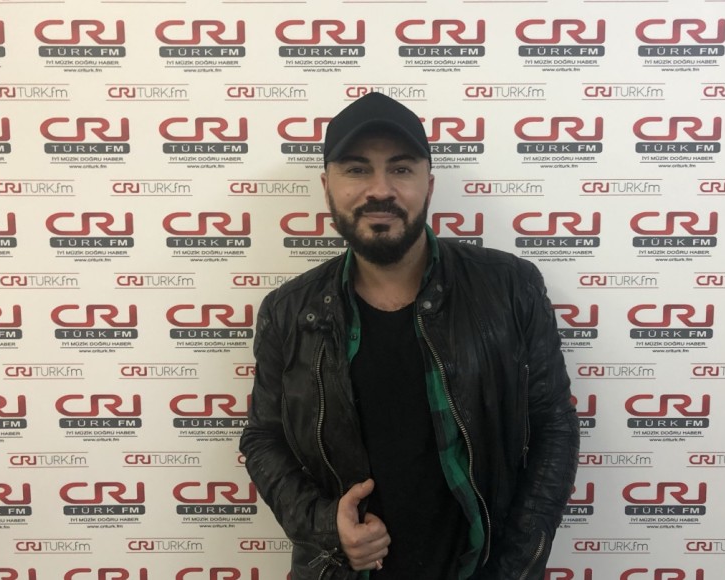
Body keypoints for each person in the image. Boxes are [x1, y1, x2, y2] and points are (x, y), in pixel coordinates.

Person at [240, 92, 580, 580]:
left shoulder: (510, 287)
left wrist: (513, 570)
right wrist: (325, 526)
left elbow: (553, 427)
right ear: (327, 186)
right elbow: (263, 438)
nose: (380, 189)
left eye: (401, 169)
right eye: (357, 169)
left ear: (429, 184)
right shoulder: (288, 311)